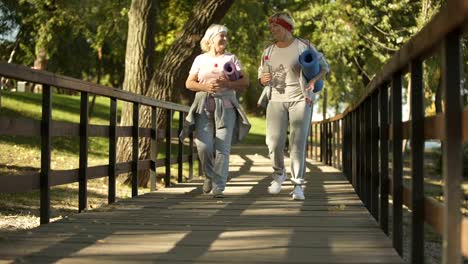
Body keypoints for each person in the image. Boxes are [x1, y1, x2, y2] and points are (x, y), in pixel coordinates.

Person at [258, 11, 330, 200]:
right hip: (275, 99)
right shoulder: (268, 51)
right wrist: (262, 79)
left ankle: (298, 185)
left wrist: (314, 80)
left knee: (297, 142)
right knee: (273, 142)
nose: (272, 29)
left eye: (276, 26)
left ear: (286, 27)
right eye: (271, 26)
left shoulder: (303, 46)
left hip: (300, 99)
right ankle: (279, 175)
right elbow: (262, 75)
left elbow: (325, 67)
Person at [182, 24, 251, 198]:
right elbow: (189, 83)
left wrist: (227, 84)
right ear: (211, 39)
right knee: (203, 146)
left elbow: (245, 82)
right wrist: (205, 86)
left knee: (223, 148)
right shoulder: (200, 59)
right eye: (222, 36)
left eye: (226, 36)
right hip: (203, 107)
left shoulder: (232, 58)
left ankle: (219, 186)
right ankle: (209, 176)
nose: (225, 39)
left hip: (226, 108)